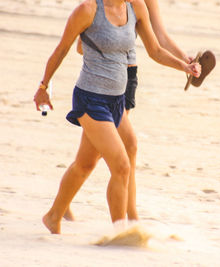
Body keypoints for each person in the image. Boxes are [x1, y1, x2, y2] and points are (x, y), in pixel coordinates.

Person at [34, 0, 200, 234]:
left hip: (116, 100)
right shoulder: (88, 10)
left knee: (86, 163)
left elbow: (155, 50)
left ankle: (54, 215)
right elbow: (63, 49)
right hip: (91, 99)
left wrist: (184, 66)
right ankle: (121, 232)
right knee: (121, 164)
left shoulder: (136, 8)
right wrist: (43, 87)